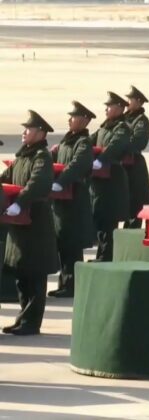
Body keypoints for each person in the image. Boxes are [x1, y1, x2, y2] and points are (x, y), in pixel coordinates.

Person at [1, 110, 59, 335]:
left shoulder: (41, 157)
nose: (23, 133)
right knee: (21, 273)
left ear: (40, 133)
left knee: (34, 274)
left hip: (35, 221)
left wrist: (20, 202)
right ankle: (23, 318)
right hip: (20, 224)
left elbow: (37, 183)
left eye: (28, 129)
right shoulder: (23, 156)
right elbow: (6, 177)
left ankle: (31, 323)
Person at [48, 101, 96, 298]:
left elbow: (77, 165)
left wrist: (61, 181)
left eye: (73, 117)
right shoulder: (67, 141)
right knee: (62, 241)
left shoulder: (83, 143)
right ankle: (64, 282)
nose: (69, 120)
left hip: (74, 199)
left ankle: (71, 285)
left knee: (72, 244)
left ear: (84, 120)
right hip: (60, 201)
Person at [89, 91, 131, 262]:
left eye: (109, 106)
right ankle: (101, 254)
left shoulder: (122, 128)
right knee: (100, 217)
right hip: (99, 181)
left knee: (108, 220)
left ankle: (106, 257)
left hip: (112, 179)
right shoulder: (104, 127)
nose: (106, 109)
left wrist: (102, 159)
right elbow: (88, 141)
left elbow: (116, 145)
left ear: (120, 108)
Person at [122, 85, 149, 229]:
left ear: (139, 102)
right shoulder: (122, 119)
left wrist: (119, 147)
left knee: (135, 206)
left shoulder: (141, 121)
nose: (127, 102)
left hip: (134, 168)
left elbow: (139, 141)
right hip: (121, 167)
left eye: (130, 99)